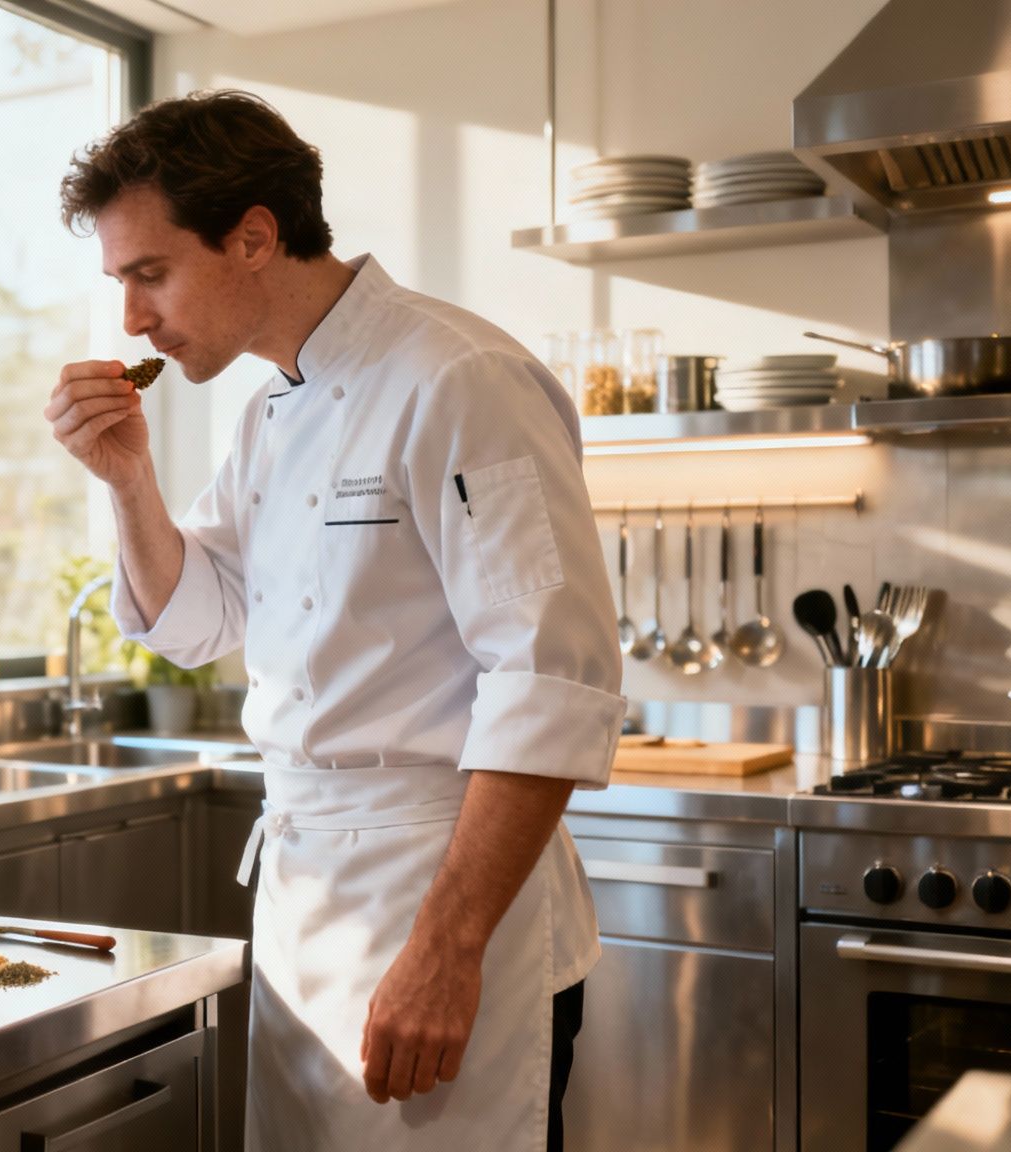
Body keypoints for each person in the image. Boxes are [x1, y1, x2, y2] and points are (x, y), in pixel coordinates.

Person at [45, 91, 625, 1151]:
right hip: (307, 913)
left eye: (149, 273)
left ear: (252, 237)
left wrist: (445, 951)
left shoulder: (461, 379)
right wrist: (128, 480)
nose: (131, 318)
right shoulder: (269, 409)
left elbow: (548, 680)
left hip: (443, 909)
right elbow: (199, 620)